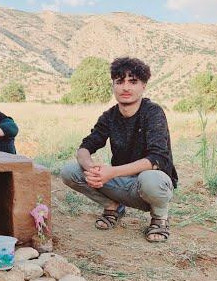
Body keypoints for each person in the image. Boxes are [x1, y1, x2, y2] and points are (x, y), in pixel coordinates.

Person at [60, 57, 178, 242]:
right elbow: (85, 147)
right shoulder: (109, 116)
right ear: (113, 85)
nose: (126, 87)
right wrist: (90, 167)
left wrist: (111, 172)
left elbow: (157, 159)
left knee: (150, 178)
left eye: (133, 81)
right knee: (69, 171)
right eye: (119, 81)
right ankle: (113, 206)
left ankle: (159, 218)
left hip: (149, 185)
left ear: (143, 85)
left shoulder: (153, 112)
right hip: (120, 182)